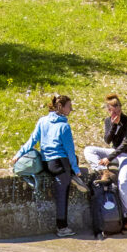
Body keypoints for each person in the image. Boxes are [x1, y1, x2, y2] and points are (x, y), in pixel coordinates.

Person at [15, 92, 80, 235]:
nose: (71, 109)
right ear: (61, 107)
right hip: (60, 163)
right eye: (69, 107)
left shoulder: (42, 121)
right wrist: (75, 168)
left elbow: (32, 141)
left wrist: (18, 155)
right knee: (62, 195)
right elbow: (69, 150)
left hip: (46, 163)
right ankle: (62, 228)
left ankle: (72, 174)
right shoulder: (64, 127)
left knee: (64, 179)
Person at [82, 94, 127, 235]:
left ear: (121, 108)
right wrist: (113, 125)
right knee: (89, 150)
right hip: (115, 153)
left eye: (117, 110)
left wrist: (109, 158)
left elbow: (126, 143)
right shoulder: (108, 121)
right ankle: (104, 171)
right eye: (112, 111)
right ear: (108, 111)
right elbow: (107, 140)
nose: (115, 113)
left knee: (122, 183)